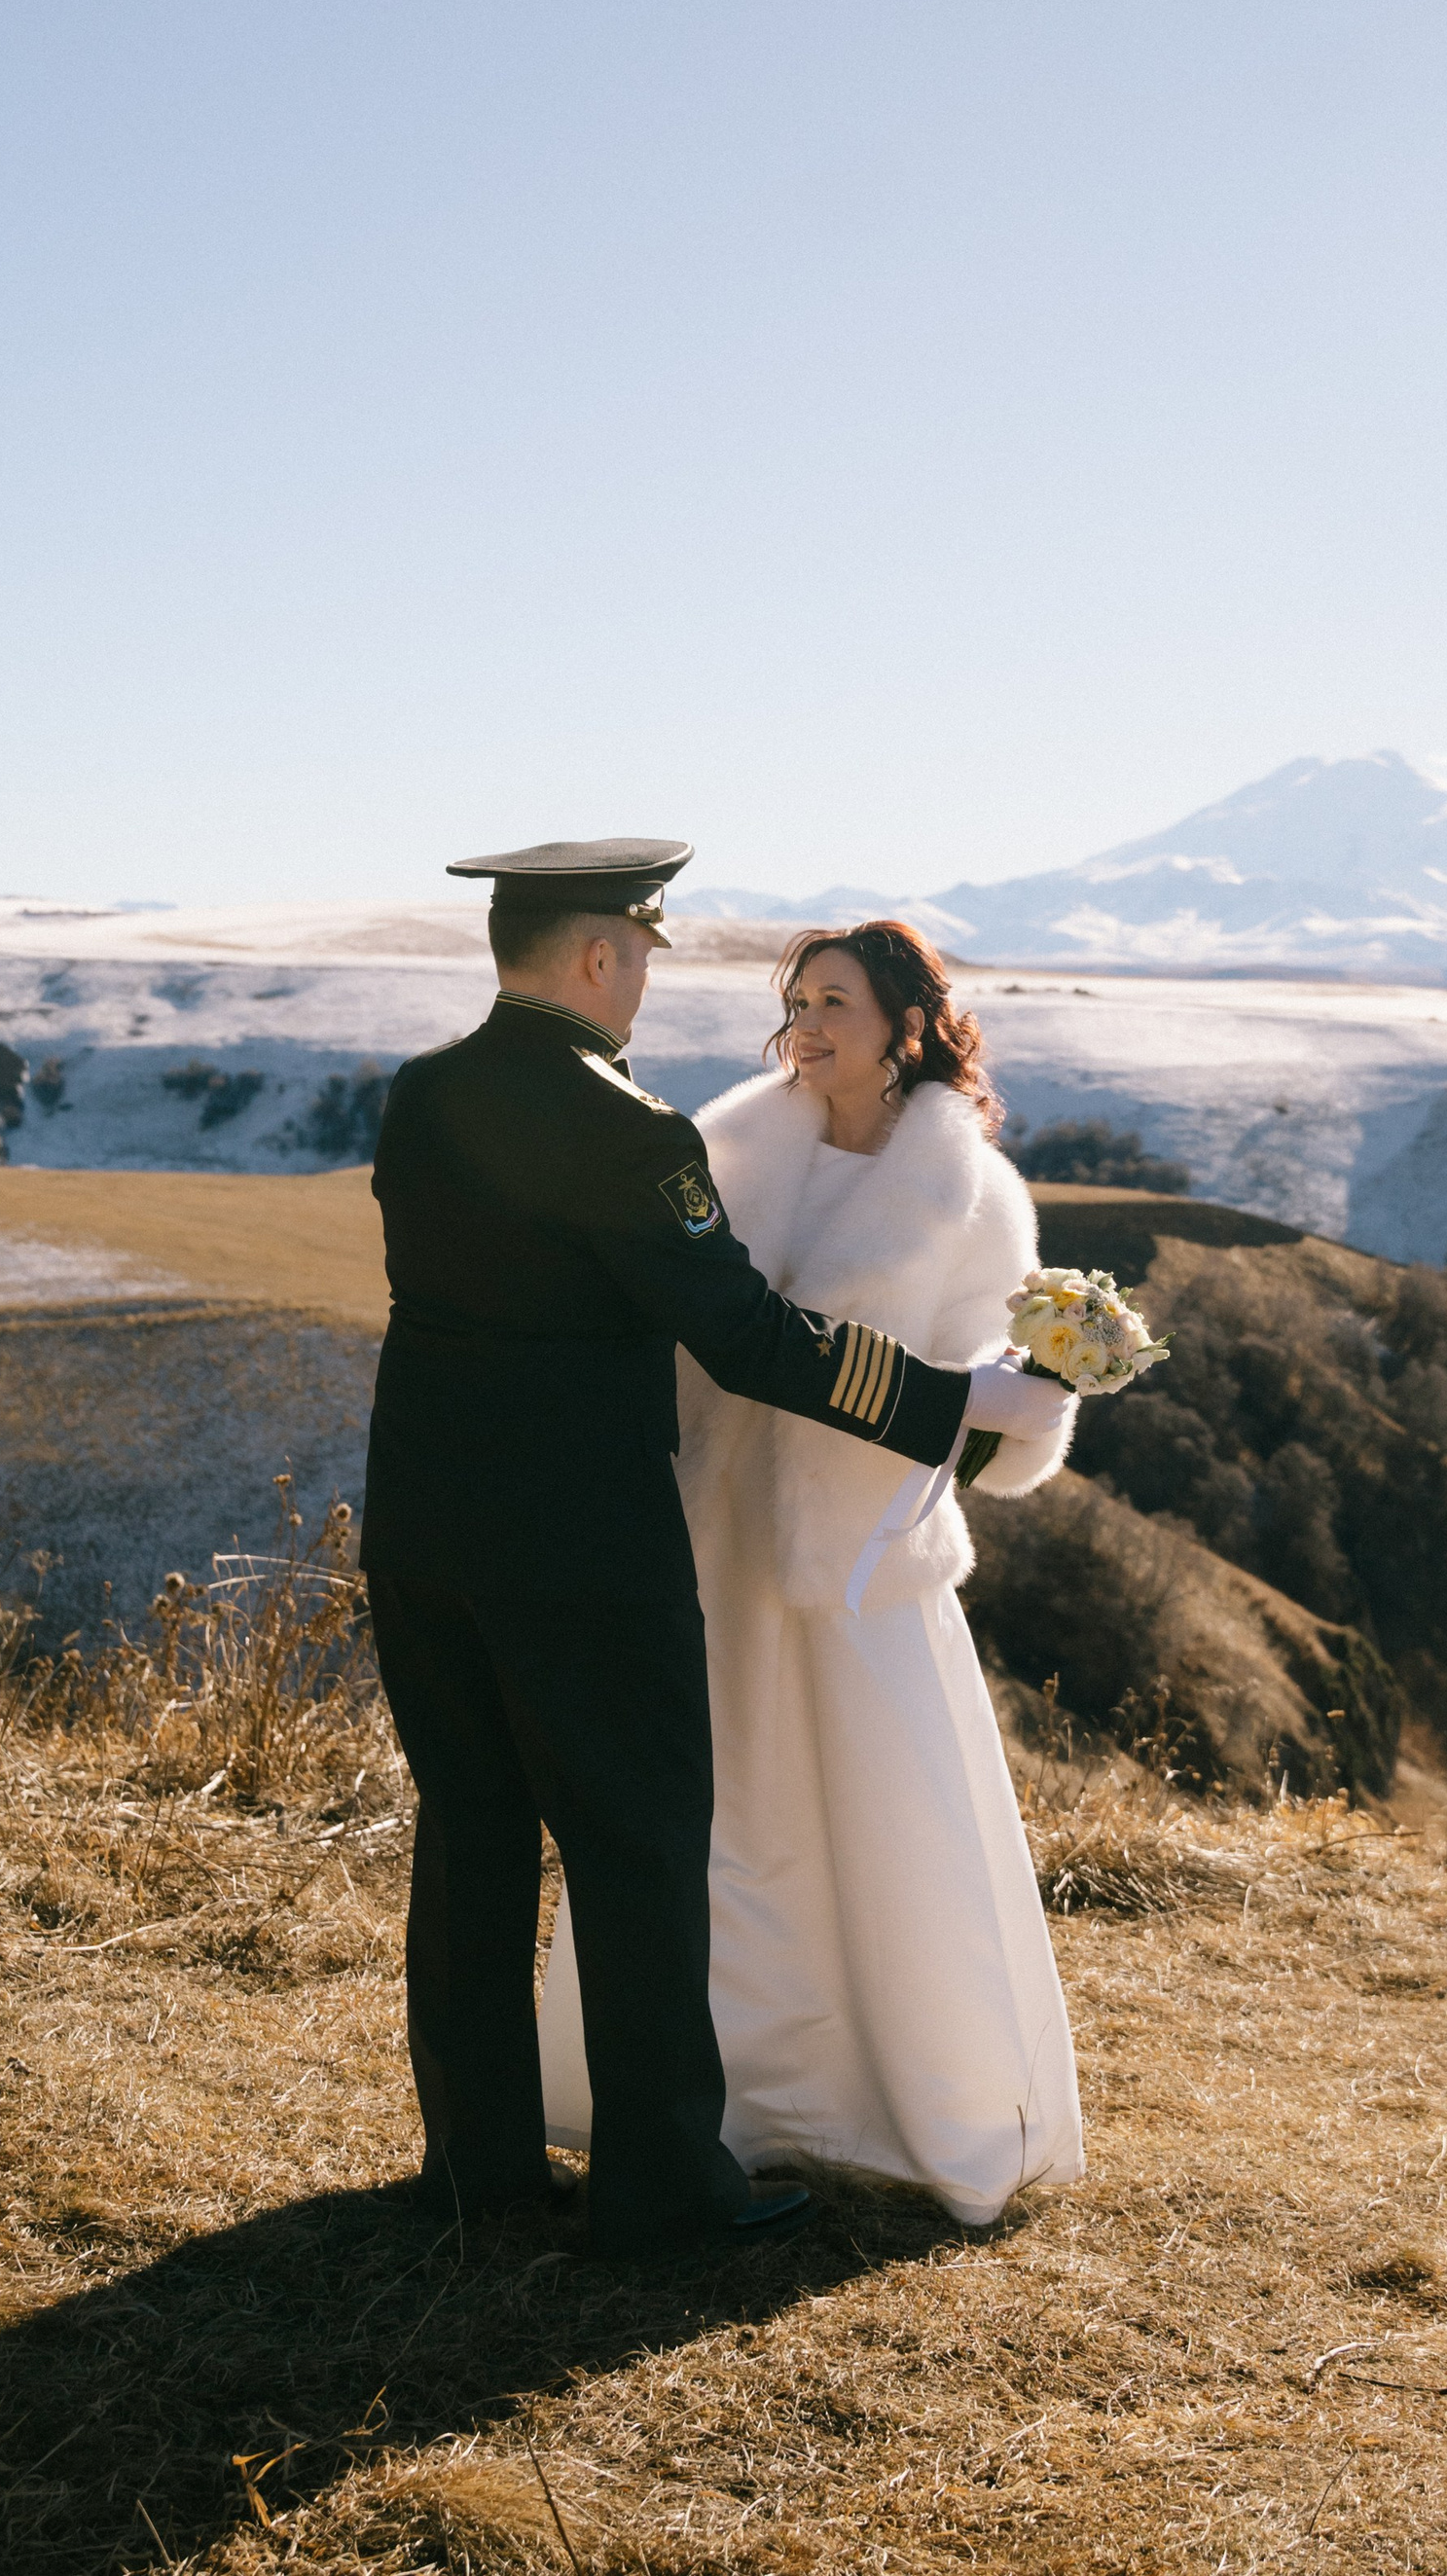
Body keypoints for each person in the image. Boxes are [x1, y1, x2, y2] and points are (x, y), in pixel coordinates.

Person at [360, 842, 1070, 2261]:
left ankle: (478, 2170)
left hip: (425, 1525)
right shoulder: (632, 1134)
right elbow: (744, 1338)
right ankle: (665, 2184)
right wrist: (954, 1406)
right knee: (636, 1848)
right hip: (583, 1543)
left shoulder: (425, 1097)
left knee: (475, 1837)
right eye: (640, 953)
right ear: (599, 958)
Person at [539, 921, 1088, 2225]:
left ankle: (909, 2107)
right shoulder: (728, 1146)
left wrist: (1026, 1404)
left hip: (861, 1568)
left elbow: (991, 1406)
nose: (807, 1020)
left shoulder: (974, 1194)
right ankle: (708, 2105)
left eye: (836, 999)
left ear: (909, 1022)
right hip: (714, 1544)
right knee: (716, 1822)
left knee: (887, 1825)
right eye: (796, 999)